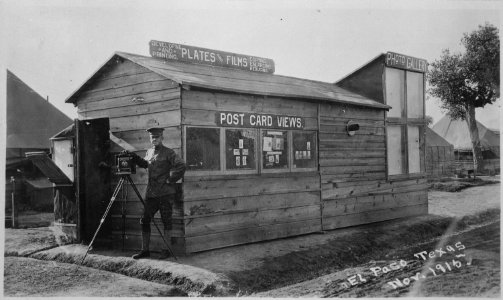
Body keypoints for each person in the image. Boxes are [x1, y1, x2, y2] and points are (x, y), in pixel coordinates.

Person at [125, 127, 186, 259]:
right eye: (152, 137)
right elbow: (146, 164)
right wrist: (133, 157)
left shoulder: (169, 153)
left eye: (157, 137)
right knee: (144, 220)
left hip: (165, 193)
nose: (154, 139)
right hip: (152, 193)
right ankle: (145, 250)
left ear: (162, 138)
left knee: (166, 221)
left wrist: (171, 179)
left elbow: (181, 165)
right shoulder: (149, 152)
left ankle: (166, 250)